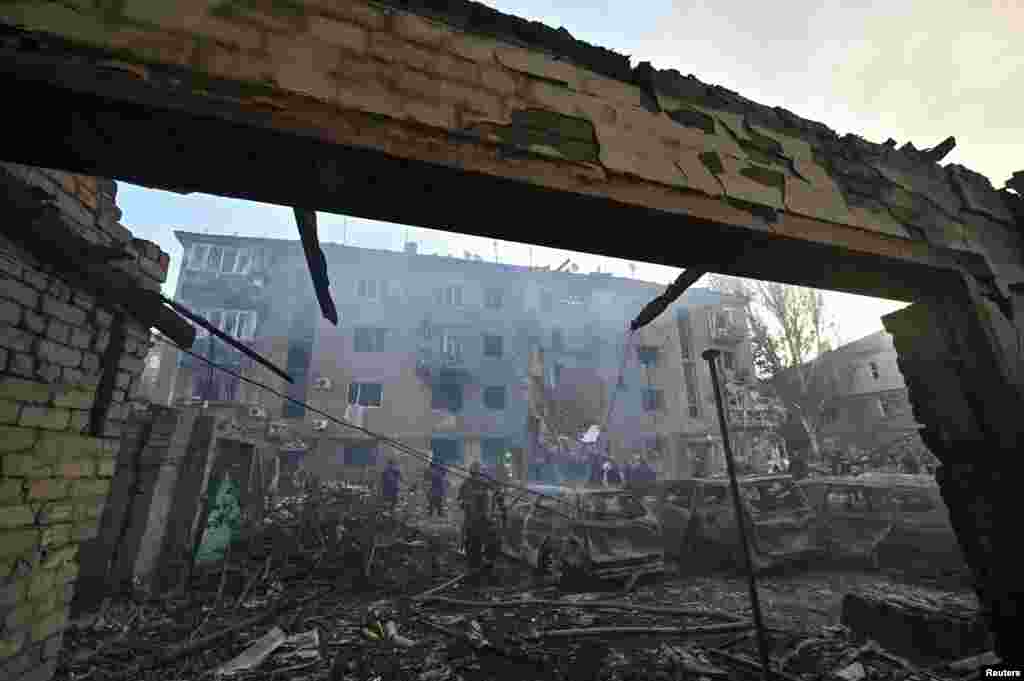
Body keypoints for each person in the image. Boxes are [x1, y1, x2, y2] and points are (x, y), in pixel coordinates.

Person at [458, 462, 494, 571]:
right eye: (474, 474)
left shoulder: (484, 483)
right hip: (471, 519)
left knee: (482, 540)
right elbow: (460, 500)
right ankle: (473, 562)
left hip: (482, 518)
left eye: (477, 474)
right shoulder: (466, 484)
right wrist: (465, 503)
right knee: (471, 541)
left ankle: (479, 561)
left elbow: (495, 489)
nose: (475, 476)